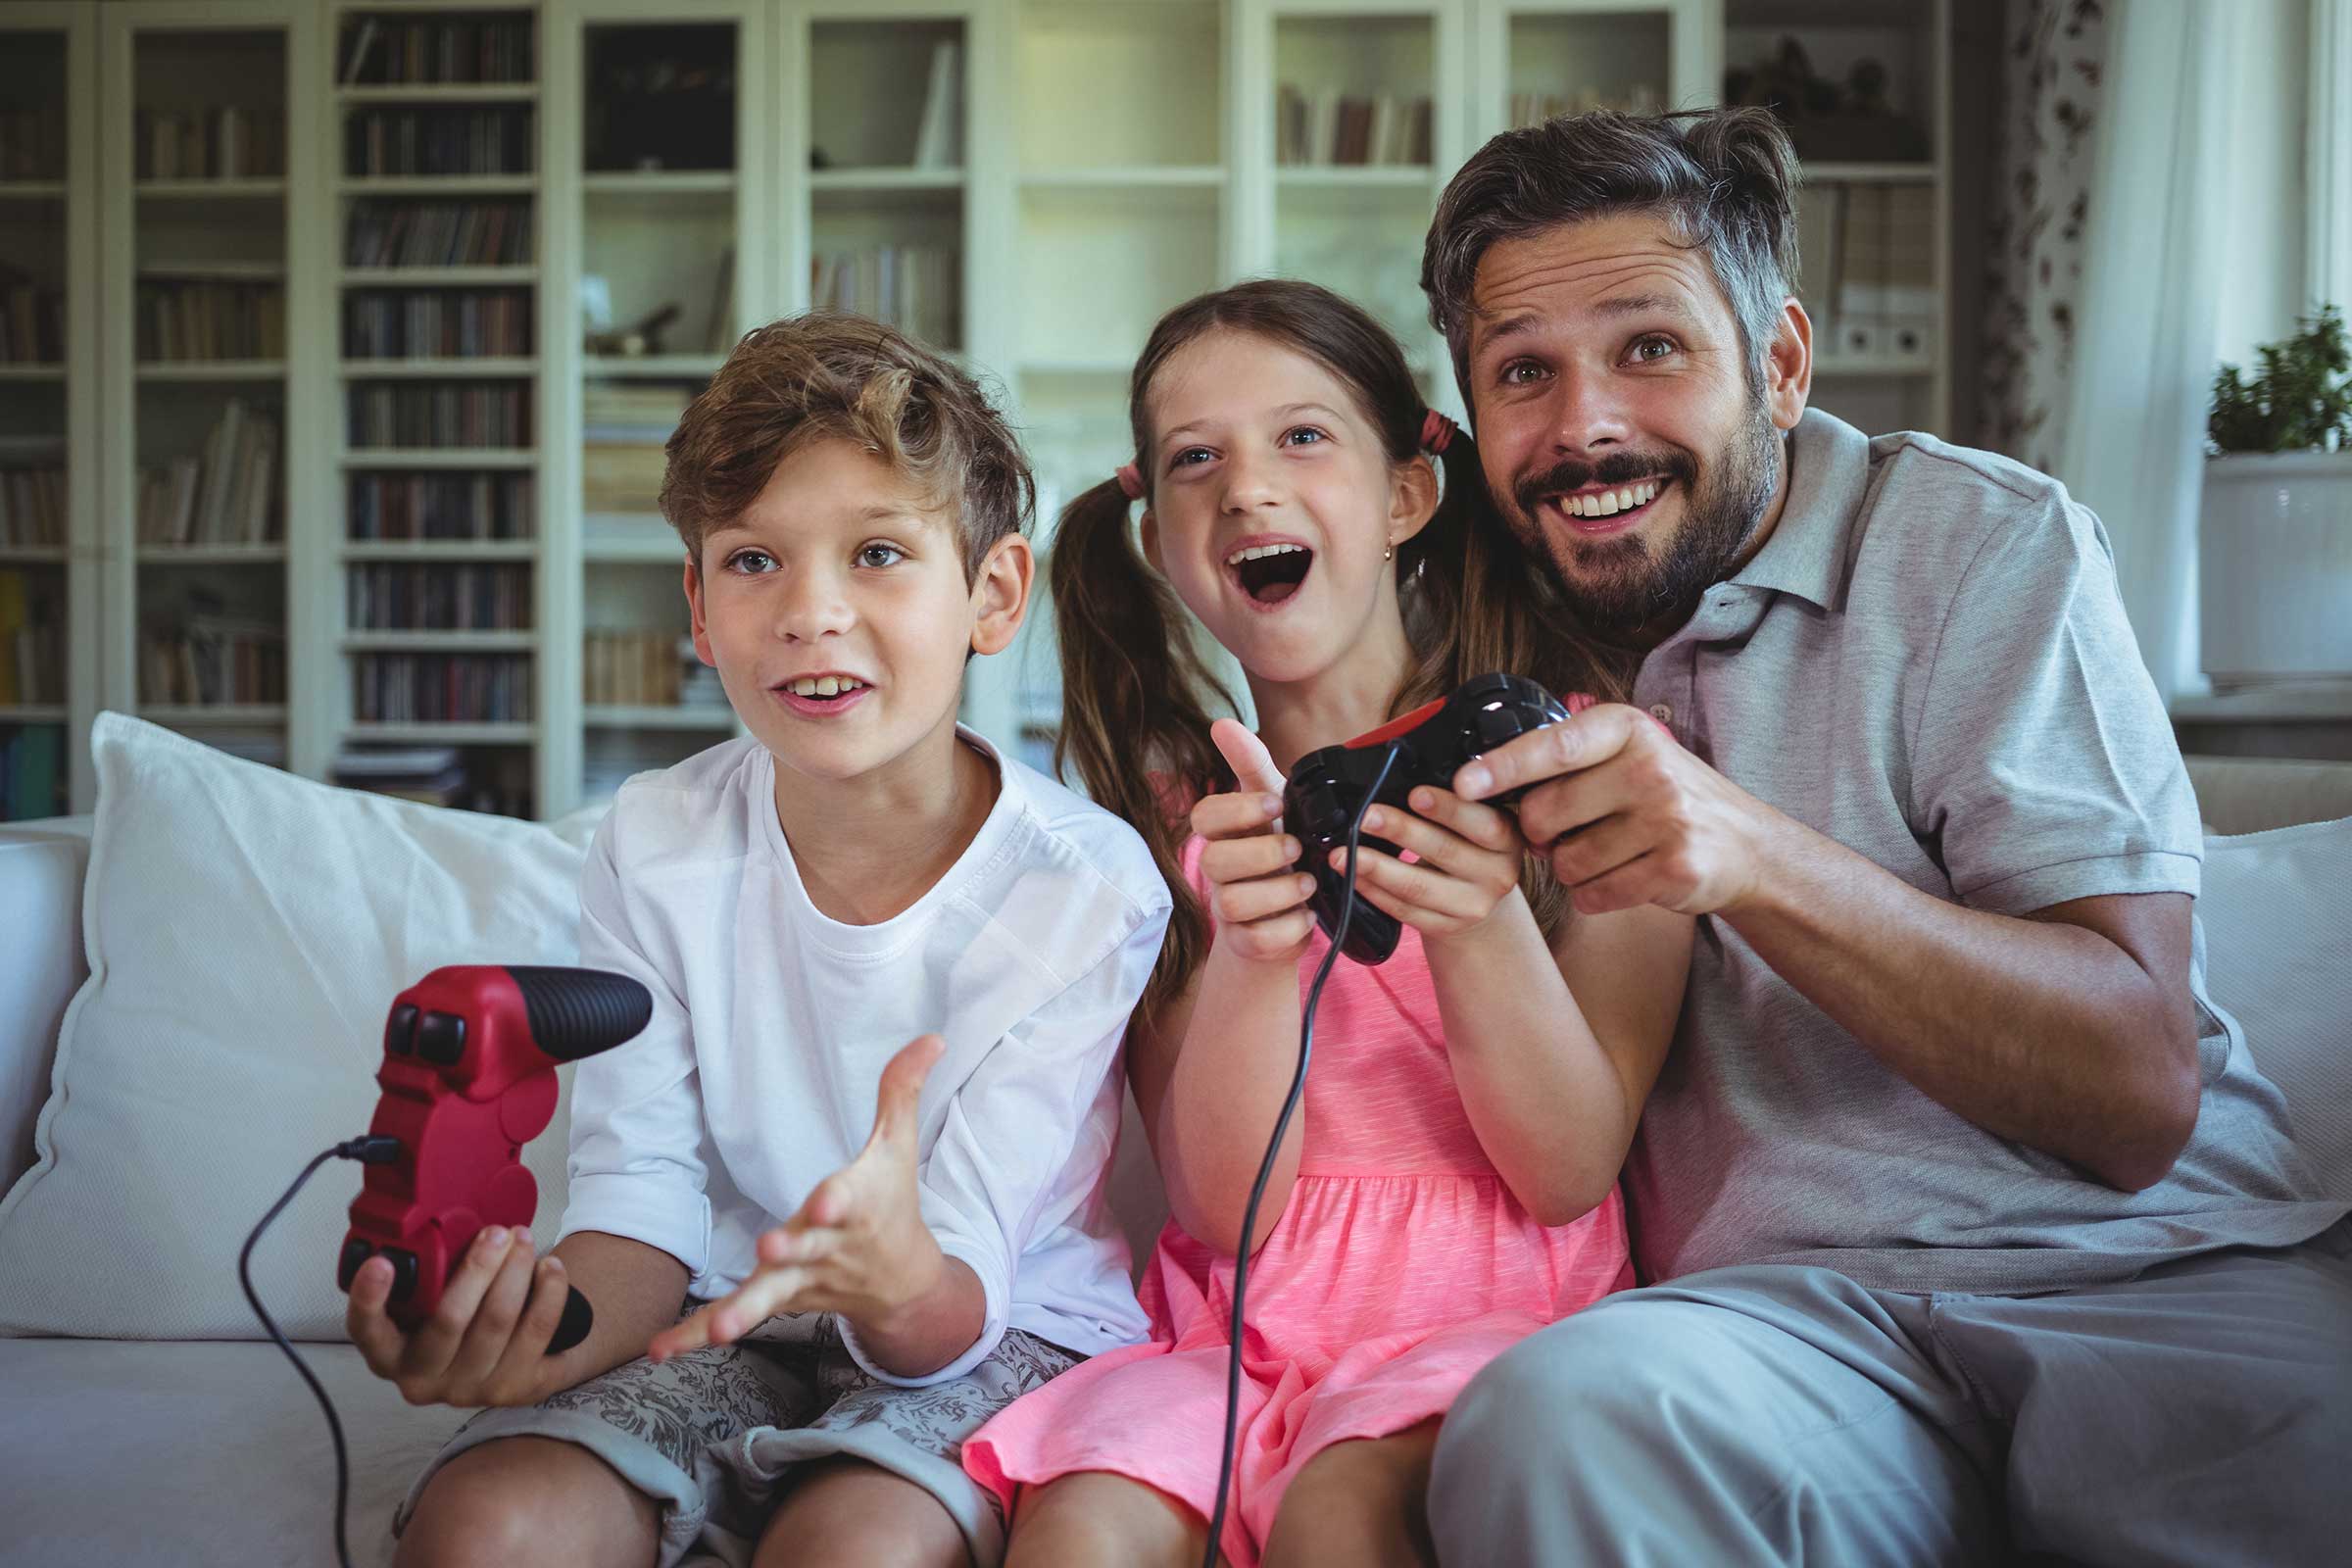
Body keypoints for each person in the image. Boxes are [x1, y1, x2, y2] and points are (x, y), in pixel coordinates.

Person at [1415, 107, 2352, 1565]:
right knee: (1553, 1423)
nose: (1584, 423)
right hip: (1772, 1335)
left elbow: (2138, 1087)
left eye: (1650, 347)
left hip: (2155, 1278)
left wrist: (1749, 852)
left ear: (1779, 365)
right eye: (1523, 372)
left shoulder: (1988, 546)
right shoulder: (1481, 627)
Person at [347, 314, 1172, 1568]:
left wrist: (891, 1271)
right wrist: (529, 1337)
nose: (810, 612)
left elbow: (947, 1312)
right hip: (724, 1320)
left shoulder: (1086, 887)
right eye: (752, 562)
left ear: (993, 595)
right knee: (489, 1524)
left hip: (989, 1324)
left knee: (855, 1548)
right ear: (697, 603)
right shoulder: (656, 838)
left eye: (880, 551)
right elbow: (641, 1202)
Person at [960, 278, 1693, 1568]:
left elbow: (1570, 1170)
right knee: (1079, 1528)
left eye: (1301, 437)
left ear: (1408, 495)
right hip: (1233, 1342)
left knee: (1340, 1520)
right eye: (1197, 459)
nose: (1244, 487)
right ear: (1161, 542)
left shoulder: (1578, 766)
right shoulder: (1162, 829)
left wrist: (1476, 928)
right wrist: (1254, 956)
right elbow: (1218, 1202)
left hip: (1496, 1328)